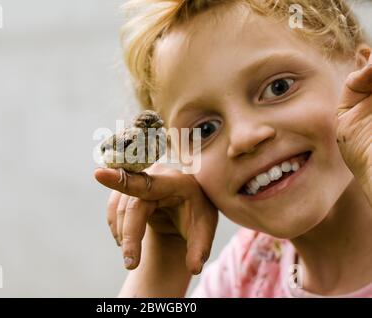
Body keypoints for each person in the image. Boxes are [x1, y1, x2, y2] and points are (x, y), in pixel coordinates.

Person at [94, 0, 372, 297]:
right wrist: (163, 262)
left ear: (362, 71)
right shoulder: (244, 274)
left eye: (279, 87)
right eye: (205, 130)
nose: (244, 138)